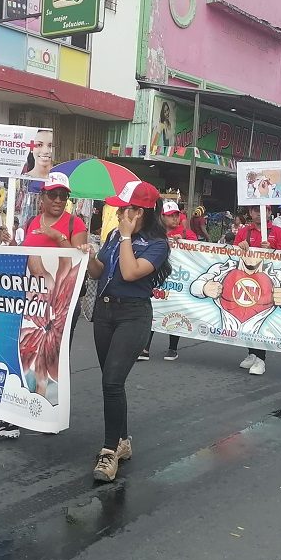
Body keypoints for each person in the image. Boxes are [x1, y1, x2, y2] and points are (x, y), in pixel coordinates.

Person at [0, 172, 88, 439]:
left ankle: (46, 412)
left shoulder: (75, 224)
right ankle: (17, 415)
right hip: (32, 302)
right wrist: (12, 244)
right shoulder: (31, 222)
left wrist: (57, 237)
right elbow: (28, 255)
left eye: (63, 195)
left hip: (60, 304)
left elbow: (77, 260)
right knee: (22, 354)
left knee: (52, 359)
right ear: (42, 197)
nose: (58, 200)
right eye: (53, 194)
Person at [79, 181, 170, 483]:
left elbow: (131, 273)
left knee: (112, 380)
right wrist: (88, 255)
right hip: (105, 312)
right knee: (111, 383)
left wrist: (128, 237)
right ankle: (123, 440)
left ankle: (109, 451)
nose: (119, 213)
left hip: (134, 314)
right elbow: (99, 271)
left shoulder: (157, 244)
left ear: (141, 212)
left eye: (126, 208)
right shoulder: (114, 235)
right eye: (119, 208)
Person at [234, 205, 281, 375]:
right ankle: (251, 353)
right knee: (247, 316)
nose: (259, 213)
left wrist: (271, 251)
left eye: (263, 210)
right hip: (247, 282)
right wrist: (240, 246)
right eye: (255, 210)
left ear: (270, 213)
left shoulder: (278, 232)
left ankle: (261, 359)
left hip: (268, 283)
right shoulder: (243, 232)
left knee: (262, 319)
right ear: (250, 213)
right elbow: (232, 254)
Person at [140, 201, 196, 362]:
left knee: (176, 311)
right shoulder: (155, 233)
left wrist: (184, 239)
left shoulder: (185, 232)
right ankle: (145, 347)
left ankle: (173, 348)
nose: (174, 218)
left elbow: (198, 246)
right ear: (162, 217)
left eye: (176, 215)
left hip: (179, 279)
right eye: (170, 215)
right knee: (154, 309)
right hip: (159, 277)